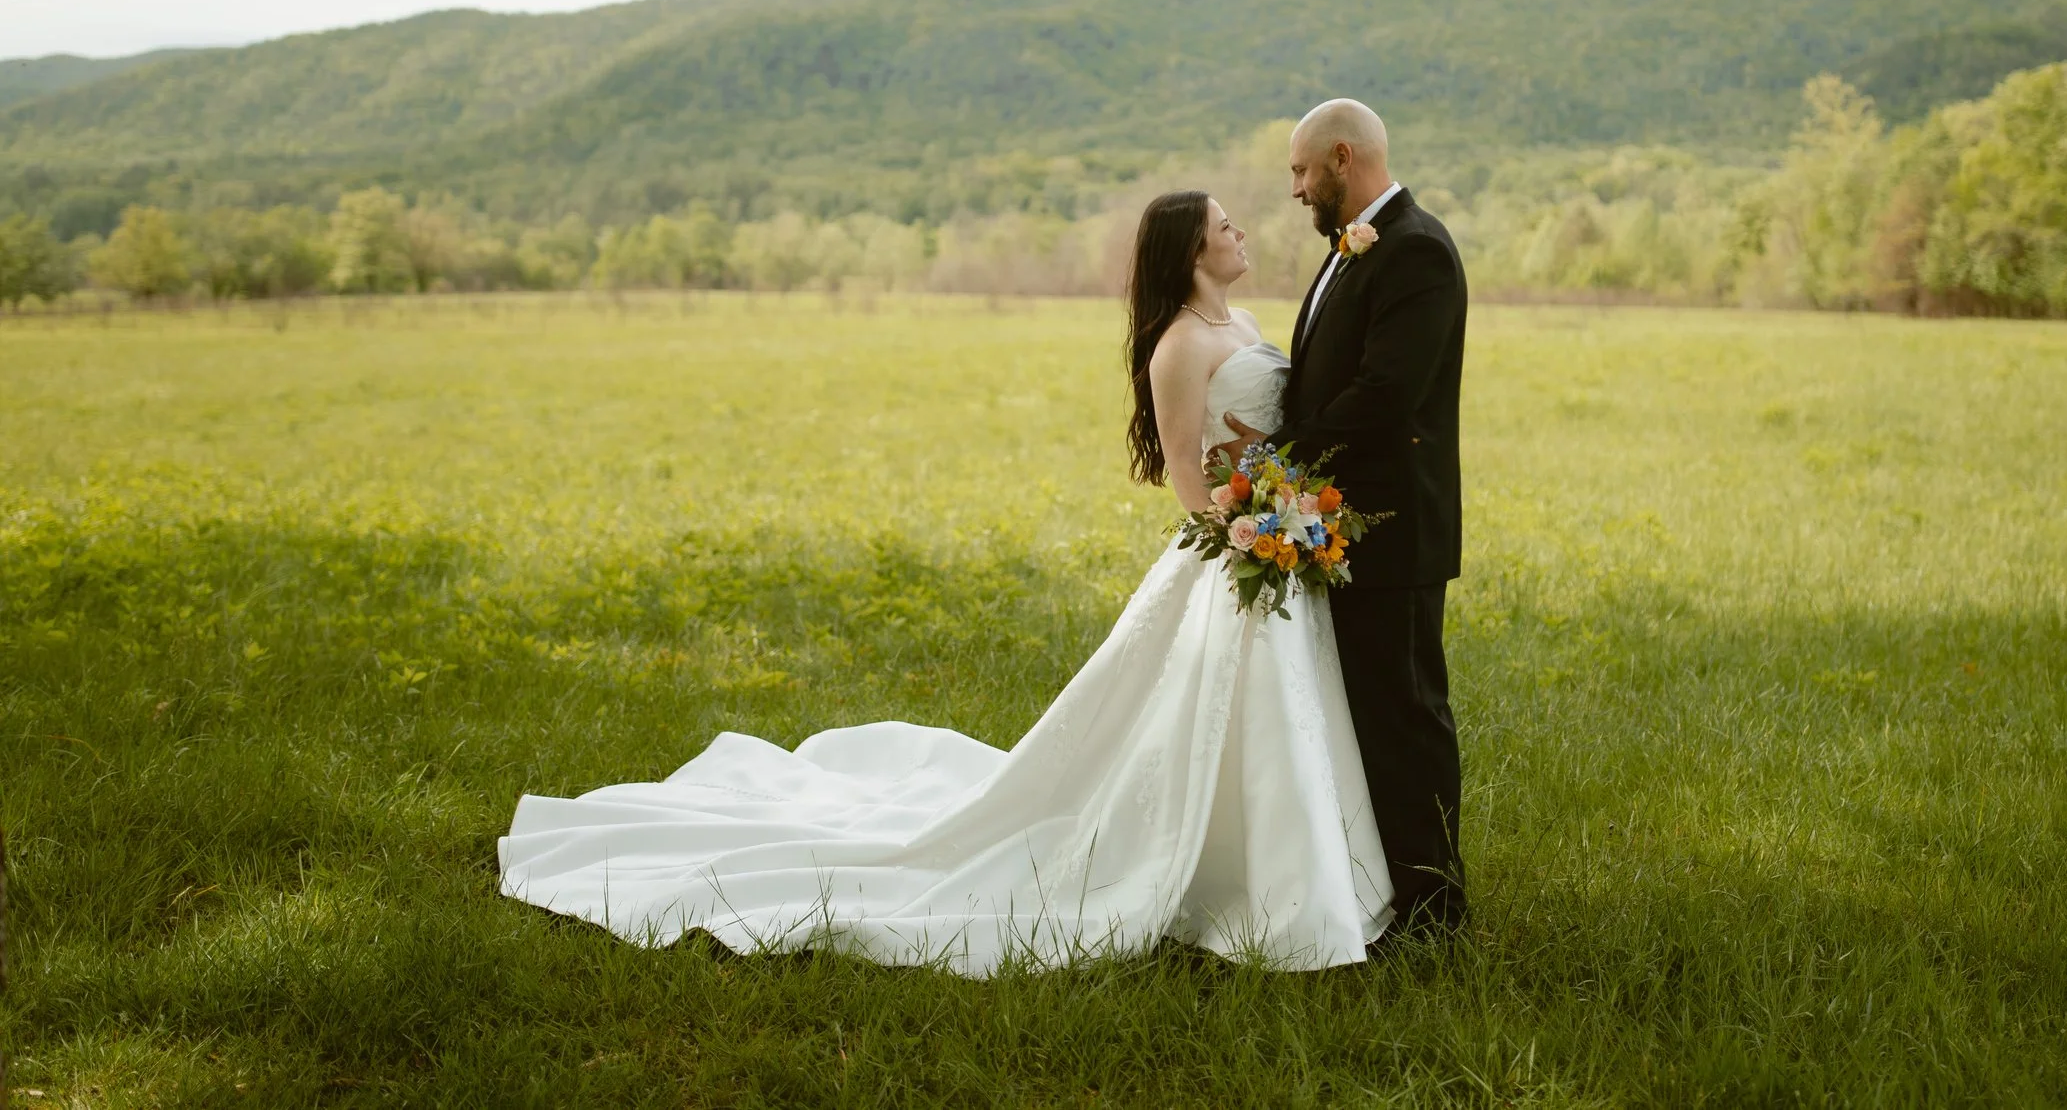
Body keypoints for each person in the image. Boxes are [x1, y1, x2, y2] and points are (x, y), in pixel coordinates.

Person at [497, 191, 1393, 974]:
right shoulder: (1178, 345)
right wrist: (1238, 531)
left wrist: (1280, 504)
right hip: (1234, 548)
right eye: (1225, 226)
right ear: (1192, 249)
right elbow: (1186, 469)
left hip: (1275, 535)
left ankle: (1292, 872)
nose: (1241, 233)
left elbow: (1263, 433)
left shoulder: (1244, 326)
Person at [1225, 98, 1468, 934]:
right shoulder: (1354, 247)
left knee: (1406, 719)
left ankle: (1436, 912)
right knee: (1369, 717)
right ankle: (1383, 890)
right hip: (1343, 528)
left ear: (1340, 157)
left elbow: (1385, 393)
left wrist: (1276, 453)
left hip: (1395, 531)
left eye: (1300, 170)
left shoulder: (1417, 249)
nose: (1295, 188)